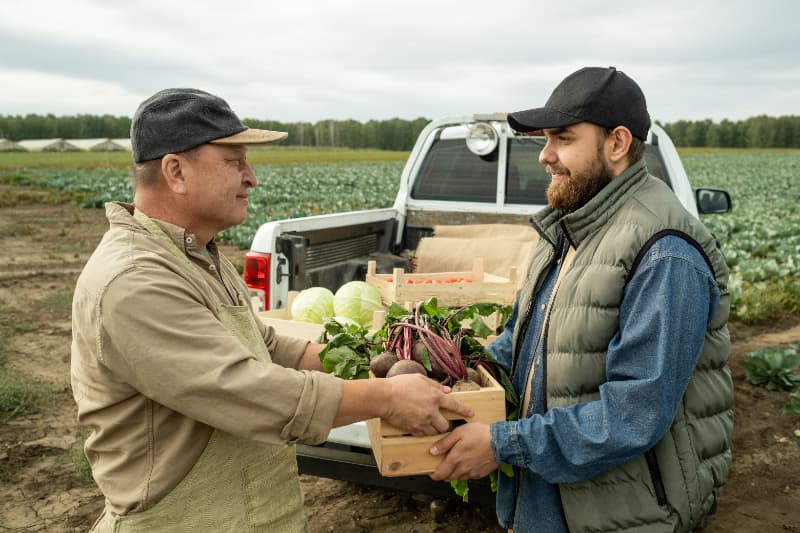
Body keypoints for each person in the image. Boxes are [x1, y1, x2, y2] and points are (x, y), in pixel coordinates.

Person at [70, 88, 473, 532]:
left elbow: (264, 345)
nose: (251, 178)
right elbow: (241, 388)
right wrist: (386, 398)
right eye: (234, 161)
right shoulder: (133, 280)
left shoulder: (193, 253)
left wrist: (369, 355)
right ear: (176, 171)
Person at [428, 67, 733, 532]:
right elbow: (523, 343)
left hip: (621, 511)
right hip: (550, 496)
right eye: (545, 139)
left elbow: (635, 414)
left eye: (563, 139)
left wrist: (502, 444)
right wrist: (462, 373)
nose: (545, 156)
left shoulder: (664, 251)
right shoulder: (571, 227)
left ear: (616, 143)